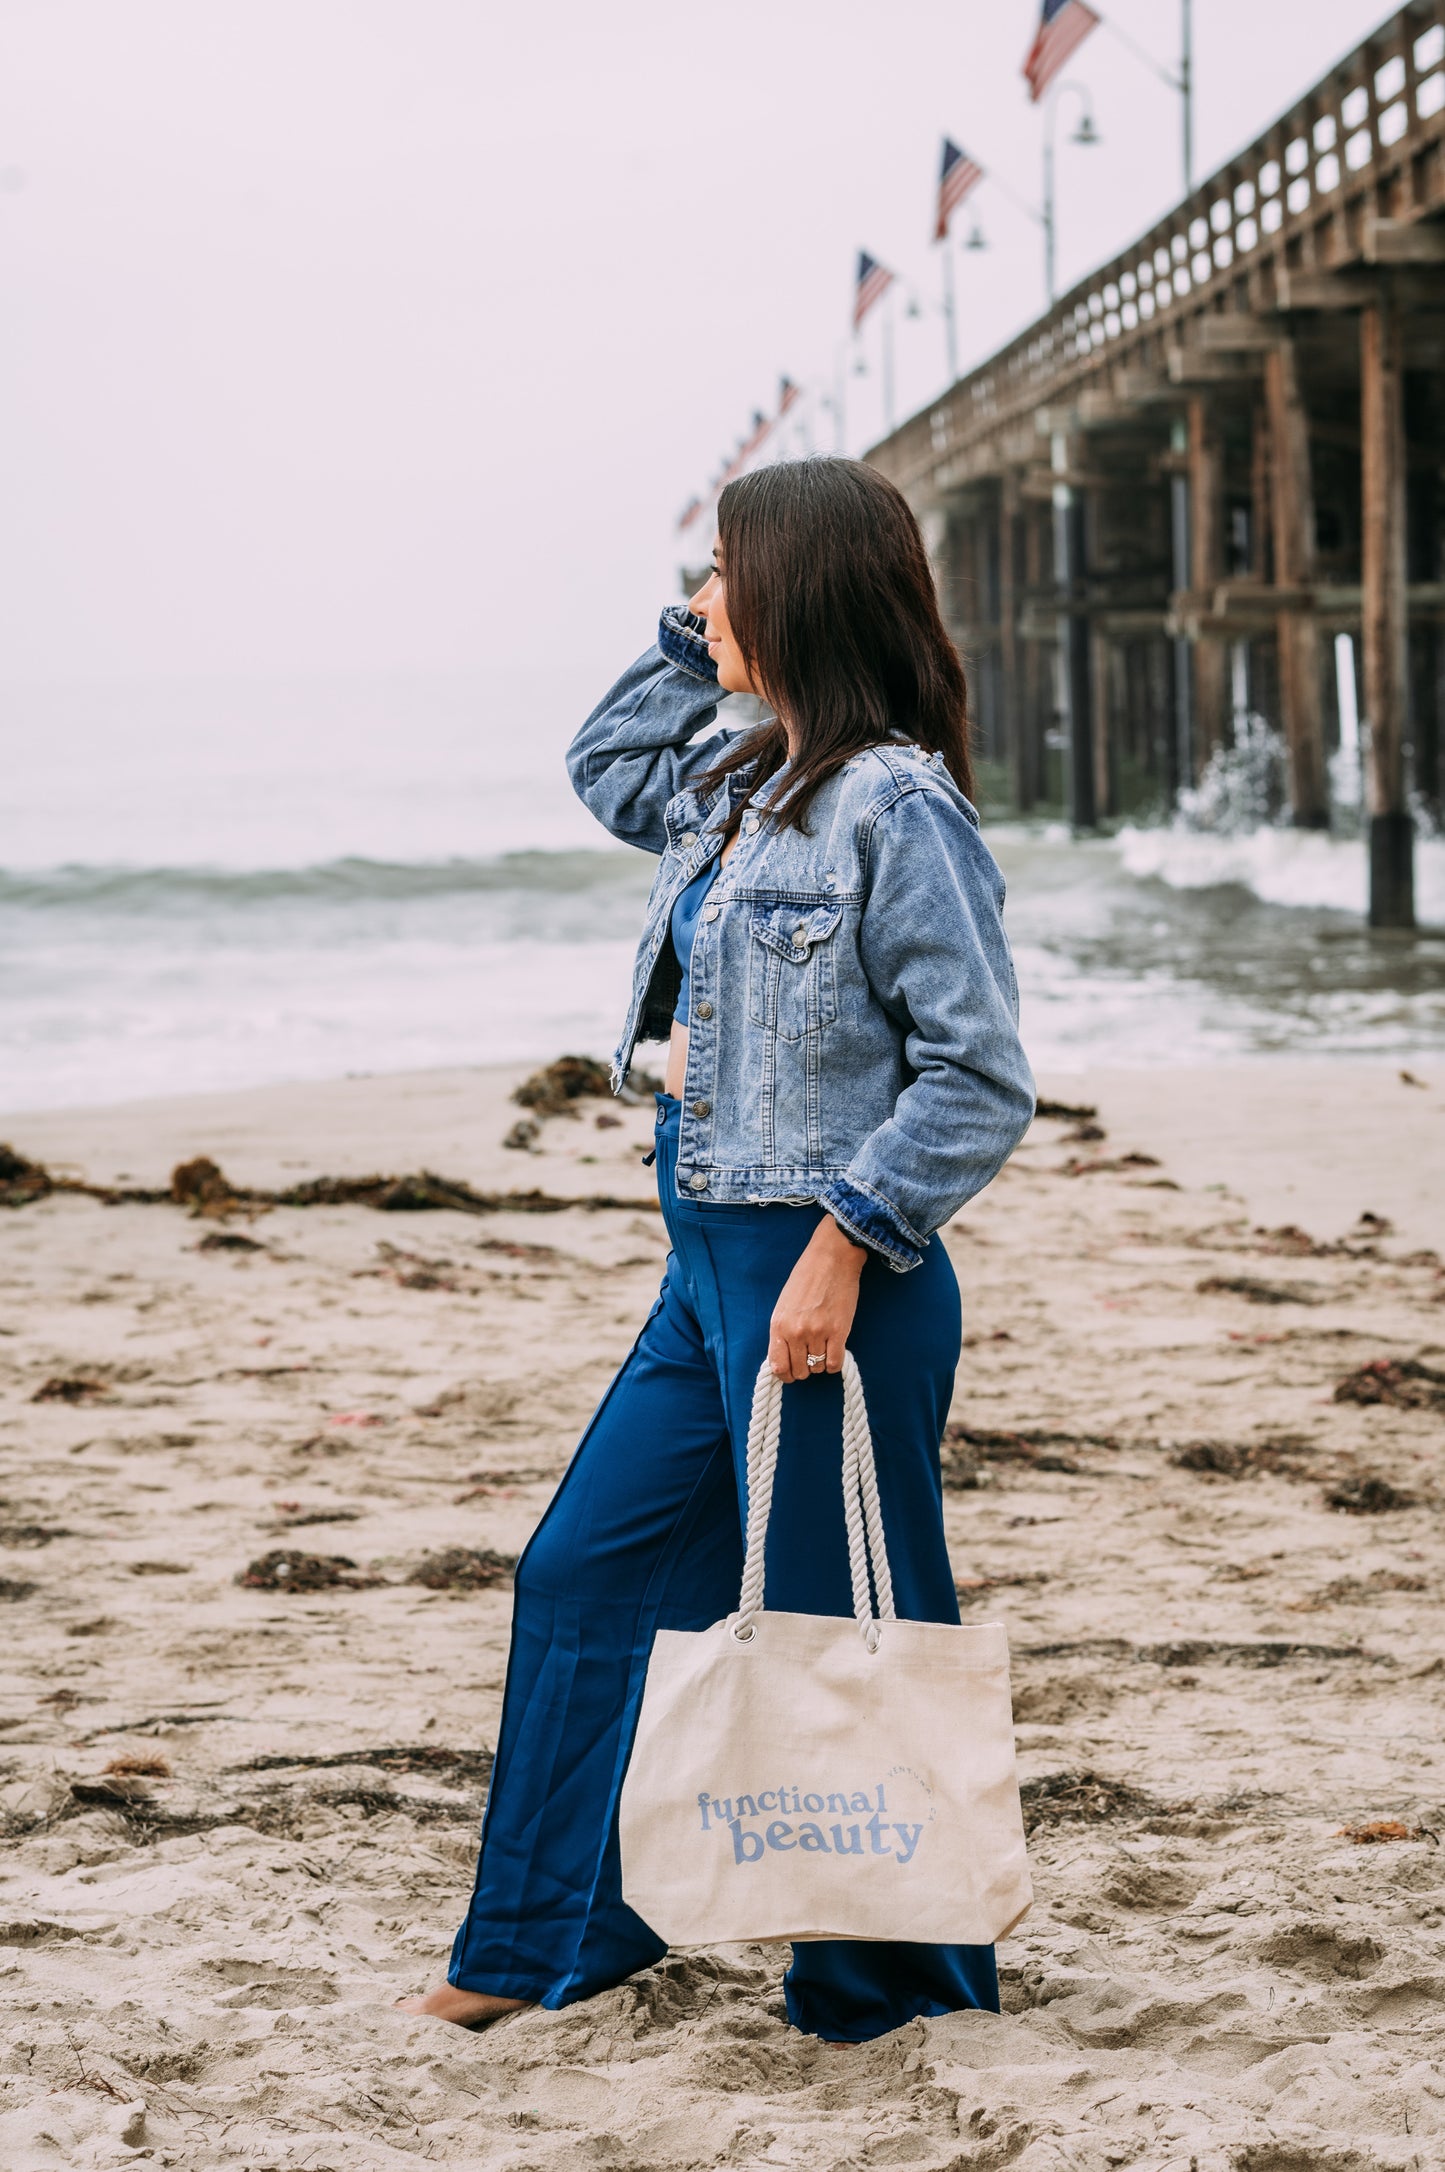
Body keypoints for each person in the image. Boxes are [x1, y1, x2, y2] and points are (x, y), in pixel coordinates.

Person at [399, 455, 1035, 2044]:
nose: (698, 600)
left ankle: (885, 1984)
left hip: (827, 1278)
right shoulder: (742, 778)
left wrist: (843, 1247)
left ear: (802, 586)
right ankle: (548, 1936)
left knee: (834, 1629)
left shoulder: (895, 806)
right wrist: (694, 647)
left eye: (724, 575)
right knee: (581, 1572)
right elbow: (608, 761)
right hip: (702, 1273)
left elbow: (978, 1075)